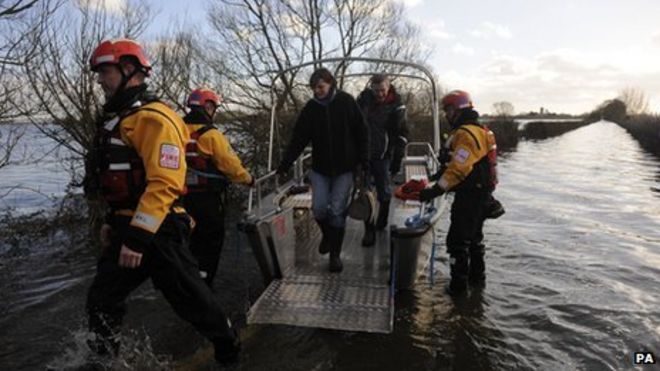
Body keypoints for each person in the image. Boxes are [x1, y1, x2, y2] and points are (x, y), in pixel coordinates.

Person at [85, 39, 239, 365]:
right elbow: (123, 183)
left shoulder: (155, 119)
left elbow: (165, 182)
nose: (100, 80)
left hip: (158, 228)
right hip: (129, 225)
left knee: (190, 299)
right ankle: (103, 360)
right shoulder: (119, 120)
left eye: (105, 72)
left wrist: (138, 238)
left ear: (130, 70)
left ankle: (228, 345)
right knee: (101, 299)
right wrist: (113, 223)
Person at [276, 68, 368, 273]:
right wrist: (285, 164)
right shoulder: (311, 108)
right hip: (320, 168)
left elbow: (361, 131)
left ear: (330, 84)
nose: (317, 91)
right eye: (314, 88)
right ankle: (328, 236)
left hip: (345, 167)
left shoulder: (346, 102)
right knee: (318, 208)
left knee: (336, 211)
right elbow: (299, 139)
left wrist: (364, 160)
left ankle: (334, 255)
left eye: (320, 87)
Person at [419, 90, 496, 296]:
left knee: (457, 241)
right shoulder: (481, 130)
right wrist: (438, 176)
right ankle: (478, 283)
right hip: (482, 194)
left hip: (470, 196)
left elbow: (459, 169)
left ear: (459, 109)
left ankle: (458, 288)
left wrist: (435, 190)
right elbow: (462, 163)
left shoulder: (466, 134)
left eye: (449, 110)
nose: (446, 114)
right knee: (475, 239)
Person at [183, 88, 254, 288]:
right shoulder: (211, 135)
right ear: (208, 107)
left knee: (190, 240)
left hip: (182, 199)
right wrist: (249, 179)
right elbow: (230, 165)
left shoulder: (175, 130)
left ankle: (189, 278)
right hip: (208, 199)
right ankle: (205, 282)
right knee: (211, 241)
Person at [356, 74, 408, 246]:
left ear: (389, 87)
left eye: (383, 90)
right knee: (366, 192)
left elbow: (402, 134)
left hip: (383, 155)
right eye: (376, 90)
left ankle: (382, 221)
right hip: (364, 154)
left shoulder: (397, 106)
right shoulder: (363, 102)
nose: (379, 94)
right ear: (372, 88)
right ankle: (368, 230)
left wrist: (397, 158)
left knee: (384, 191)